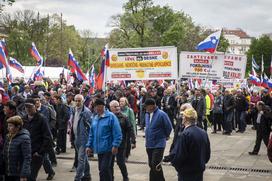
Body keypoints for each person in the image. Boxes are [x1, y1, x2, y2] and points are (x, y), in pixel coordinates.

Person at [86, 98, 122, 181]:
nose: (97, 109)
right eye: (95, 107)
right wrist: (89, 145)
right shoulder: (95, 118)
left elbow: (118, 133)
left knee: (104, 169)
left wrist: (115, 145)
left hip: (108, 148)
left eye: (98, 106)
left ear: (103, 106)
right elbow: (92, 133)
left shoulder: (111, 117)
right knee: (102, 170)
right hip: (99, 149)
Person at [171, 108, 211, 181]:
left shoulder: (185, 134)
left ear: (186, 119)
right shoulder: (203, 132)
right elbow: (207, 153)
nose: (182, 118)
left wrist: (174, 163)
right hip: (199, 169)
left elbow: (181, 155)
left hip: (187, 171)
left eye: (183, 116)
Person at [22, 98, 53, 181]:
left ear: (35, 107)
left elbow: (48, 137)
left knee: (31, 177)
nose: (28, 109)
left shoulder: (42, 119)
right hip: (26, 153)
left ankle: (51, 172)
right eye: (26, 107)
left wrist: (40, 152)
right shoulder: (23, 119)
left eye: (30, 107)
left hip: (36, 153)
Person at [144, 98, 172, 181]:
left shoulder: (162, 114)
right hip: (149, 144)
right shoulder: (147, 114)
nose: (145, 108)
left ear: (152, 106)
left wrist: (165, 136)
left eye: (146, 106)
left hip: (159, 143)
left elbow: (169, 127)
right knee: (151, 165)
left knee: (155, 164)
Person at [109, 100, 136, 181]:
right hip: (110, 144)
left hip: (121, 144)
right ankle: (111, 178)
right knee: (110, 164)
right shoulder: (108, 117)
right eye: (115, 106)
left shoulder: (124, 117)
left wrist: (133, 141)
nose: (117, 108)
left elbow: (130, 129)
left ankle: (125, 177)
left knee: (120, 162)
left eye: (118, 106)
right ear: (110, 108)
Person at [70, 94, 92, 181]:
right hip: (76, 138)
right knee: (84, 158)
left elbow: (91, 127)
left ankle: (77, 178)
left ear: (83, 101)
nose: (78, 102)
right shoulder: (73, 110)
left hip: (84, 139)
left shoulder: (86, 112)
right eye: (76, 100)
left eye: (79, 101)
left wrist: (90, 141)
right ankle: (87, 175)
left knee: (81, 159)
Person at [3, 116, 31, 181]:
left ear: (18, 126)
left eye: (10, 126)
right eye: (8, 126)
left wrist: (23, 174)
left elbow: (27, 158)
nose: (8, 128)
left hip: (18, 173)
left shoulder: (25, 138)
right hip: (8, 172)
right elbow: (4, 153)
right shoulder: (8, 136)